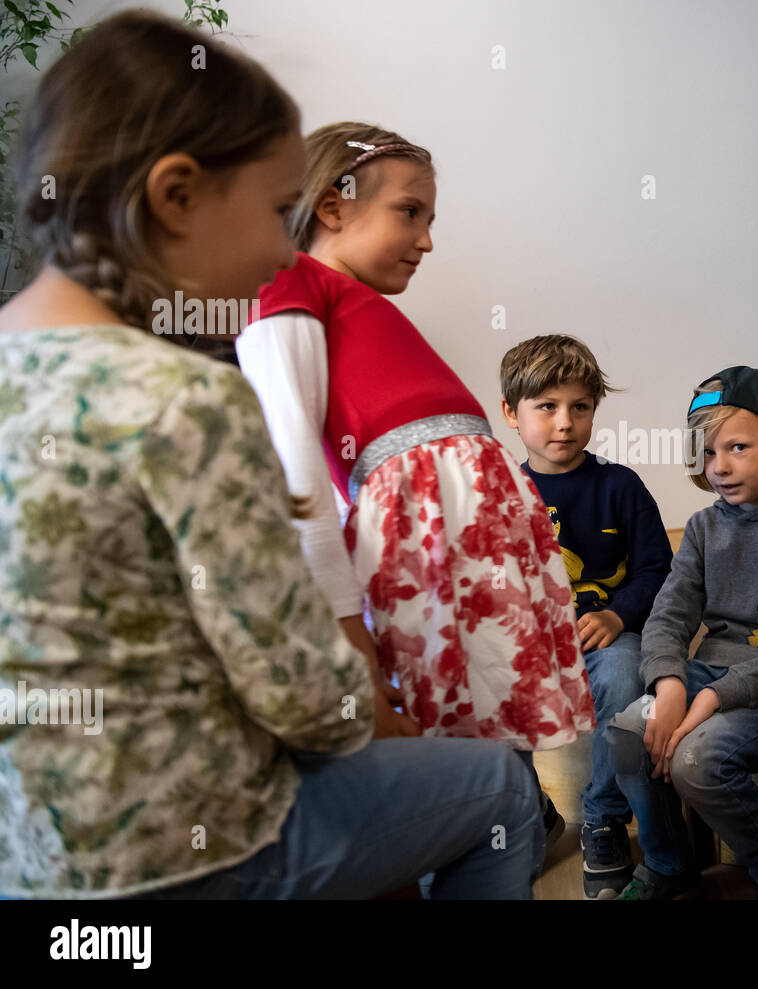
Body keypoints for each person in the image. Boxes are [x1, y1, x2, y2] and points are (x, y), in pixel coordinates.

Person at [0, 11, 541, 899]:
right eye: (272, 210)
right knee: (497, 787)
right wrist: (375, 708)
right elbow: (297, 689)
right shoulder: (183, 399)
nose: (277, 249)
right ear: (176, 195)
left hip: (34, 859)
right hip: (187, 849)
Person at [234, 123, 596, 846]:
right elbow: (296, 465)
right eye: (410, 212)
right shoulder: (288, 281)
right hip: (425, 554)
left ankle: (514, 825)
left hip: (474, 553)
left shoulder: (366, 305)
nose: (426, 239)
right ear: (334, 207)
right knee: (457, 762)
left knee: (492, 757)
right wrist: (348, 636)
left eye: (429, 219)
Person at [606, 366, 758, 899]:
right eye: (708, 453)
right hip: (705, 675)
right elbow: (669, 617)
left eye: (738, 447)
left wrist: (715, 697)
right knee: (629, 732)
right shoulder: (703, 528)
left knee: (698, 760)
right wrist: (669, 682)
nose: (720, 467)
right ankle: (671, 866)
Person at [499, 334, 674, 898]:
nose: (564, 423)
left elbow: (657, 570)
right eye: (546, 407)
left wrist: (620, 616)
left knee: (625, 679)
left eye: (580, 407)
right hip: (526, 641)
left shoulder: (619, 486)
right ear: (511, 413)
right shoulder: (500, 493)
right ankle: (533, 813)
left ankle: (601, 814)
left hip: (607, 635)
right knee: (481, 693)